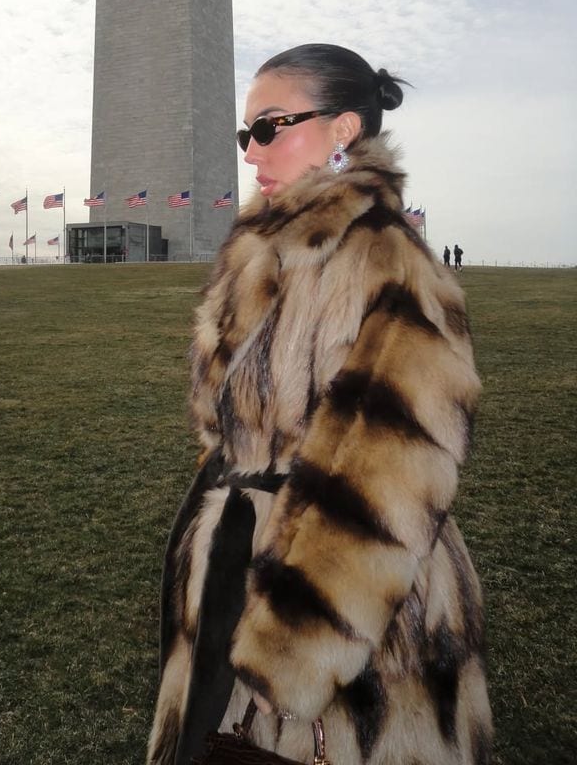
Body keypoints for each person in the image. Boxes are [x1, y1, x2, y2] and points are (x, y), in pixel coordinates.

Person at [148, 44, 492, 765]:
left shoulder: (383, 260)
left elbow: (390, 473)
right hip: (236, 581)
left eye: (270, 127)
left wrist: (294, 651)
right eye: (246, 134)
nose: (251, 153)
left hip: (343, 617)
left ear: (341, 132)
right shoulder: (261, 256)